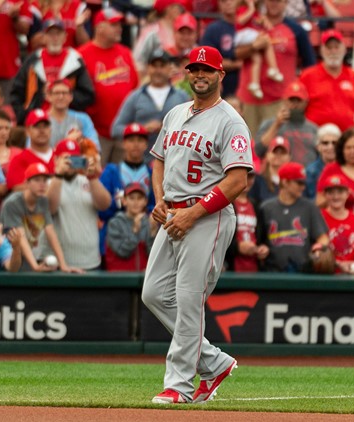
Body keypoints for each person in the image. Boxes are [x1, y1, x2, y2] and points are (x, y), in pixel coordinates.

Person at [142, 46, 253, 404]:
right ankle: (213, 361)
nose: (199, 75)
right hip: (173, 213)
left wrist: (194, 213)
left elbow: (237, 181)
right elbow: (159, 160)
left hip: (208, 217)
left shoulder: (230, 120)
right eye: (194, 69)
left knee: (190, 301)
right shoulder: (175, 113)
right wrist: (159, 199)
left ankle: (179, 386)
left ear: (221, 75)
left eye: (206, 69)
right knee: (154, 293)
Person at [233, 0, 315, 137]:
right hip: (249, 99)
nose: (274, 4)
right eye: (271, 0)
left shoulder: (296, 30)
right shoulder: (254, 22)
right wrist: (253, 47)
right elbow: (236, 53)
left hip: (280, 100)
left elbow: (309, 64)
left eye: (278, 1)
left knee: (276, 146)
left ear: (286, 3)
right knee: (246, 145)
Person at [78, 7, 139, 165]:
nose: (119, 29)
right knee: (94, 177)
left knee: (122, 183)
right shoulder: (82, 55)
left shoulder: (125, 53)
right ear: (99, 27)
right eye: (114, 25)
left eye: (120, 25)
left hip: (123, 134)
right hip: (96, 134)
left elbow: (135, 88)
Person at [9, 19, 95, 126]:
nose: (55, 38)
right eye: (50, 34)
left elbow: (87, 94)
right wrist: (24, 115)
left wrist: (62, 97)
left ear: (65, 37)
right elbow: (16, 91)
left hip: (67, 120)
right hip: (36, 120)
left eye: (58, 34)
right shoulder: (33, 60)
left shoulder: (75, 61)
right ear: (44, 37)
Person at [111, 50, 191, 160]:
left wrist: (168, 129)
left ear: (169, 68)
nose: (158, 71)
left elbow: (193, 127)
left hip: (174, 161)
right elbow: (116, 129)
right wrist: (141, 130)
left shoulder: (182, 97)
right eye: (154, 66)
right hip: (141, 162)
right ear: (148, 68)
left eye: (162, 66)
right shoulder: (135, 97)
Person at [48, 139, 110, 271]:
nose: (71, 162)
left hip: (91, 261)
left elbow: (105, 204)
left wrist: (93, 178)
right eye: (66, 158)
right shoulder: (49, 184)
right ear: (56, 160)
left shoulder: (89, 181)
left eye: (74, 158)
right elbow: (49, 209)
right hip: (62, 264)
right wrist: (58, 174)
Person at [0, 162, 74, 272]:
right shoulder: (12, 203)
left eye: (45, 180)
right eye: (37, 180)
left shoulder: (43, 201)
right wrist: (35, 266)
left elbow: (50, 231)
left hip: (29, 255)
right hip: (7, 256)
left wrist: (63, 265)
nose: (42, 184)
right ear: (27, 183)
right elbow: (21, 237)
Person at [257, 162, 329, 272]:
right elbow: (259, 241)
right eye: (299, 183)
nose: (303, 187)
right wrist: (260, 249)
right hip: (272, 271)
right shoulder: (266, 208)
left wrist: (318, 248)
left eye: (304, 183)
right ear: (285, 182)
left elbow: (323, 238)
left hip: (303, 271)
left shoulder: (309, 207)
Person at [299, 29, 354, 132]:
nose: (333, 51)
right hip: (316, 137)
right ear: (321, 50)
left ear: (344, 49)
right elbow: (296, 108)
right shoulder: (307, 76)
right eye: (329, 48)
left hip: (346, 140)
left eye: (337, 47)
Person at [98, 123, 156, 256]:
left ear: (146, 144)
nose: (135, 144)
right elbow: (102, 209)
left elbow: (156, 205)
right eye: (131, 140)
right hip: (115, 233)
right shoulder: (111, 171)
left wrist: (146, 213)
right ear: (124, 143)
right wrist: (123, 207)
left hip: (144, 234)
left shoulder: (152, 173)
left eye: (140, 140)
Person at [256, 80, 318, 166]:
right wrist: (277, 124)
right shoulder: (270, 124)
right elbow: (259, 150)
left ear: (306, 102)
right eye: (291, 100)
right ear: (284, 101)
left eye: (298, 100)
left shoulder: (313, 129)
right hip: (278, 173)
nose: (295, 104)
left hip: (307, 175)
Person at [316, 128, 354, 210]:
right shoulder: (331, 169)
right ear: (341, 150)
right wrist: (338, 195)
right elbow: (319, 202)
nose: (352, 151)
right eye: (348, 148)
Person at [235, 0, 284, 100]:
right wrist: (251, 8)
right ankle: (273, 69)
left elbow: (267, 26)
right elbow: (240, 21)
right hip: (242, 35)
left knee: (257, 59)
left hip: (249, 36)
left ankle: (254, 84)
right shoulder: (243, 8)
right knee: (266, 40)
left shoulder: (257, 12)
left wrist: (263, 20)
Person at [105, 182, 156, 271]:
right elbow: (122, 252)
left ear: (145, 202)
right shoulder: (115, 223)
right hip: (120, 278)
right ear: (124, 201)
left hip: (142, 279)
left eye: (139, 198)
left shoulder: (149, 222)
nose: (135, 202)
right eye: (131, 198)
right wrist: (135, 231)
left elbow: (152, 255)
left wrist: (152, 232)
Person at [132, 0, 186, 78]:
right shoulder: (151, 32)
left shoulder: (181, 30)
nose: (181, 10)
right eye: (178, 7)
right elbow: (137, 62)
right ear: (168, 9)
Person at [226, 172, 268, 272]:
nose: (246, 181)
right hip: (230, 269)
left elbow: (262, 238)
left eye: (250, 177)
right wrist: (237, 247)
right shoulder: (225, 205)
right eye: (243, 175)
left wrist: (263, 248)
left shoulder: (256, 206)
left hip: (254, 269)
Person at [6, 109, 56, 191]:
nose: (42, 131)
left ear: (50, 130)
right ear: (28, 131)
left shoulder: (60, 156)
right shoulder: (19, 159)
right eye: (37, 126)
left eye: (45, 126)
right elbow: (17, 188)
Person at [200, 0, 242, 97]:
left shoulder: (251, 25)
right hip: (224, 87)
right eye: (223, 1)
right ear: (219, 4)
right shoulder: (213, 29)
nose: (228, 3)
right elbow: (207, 61)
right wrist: (236, 64)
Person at [45, 79, 99, 148]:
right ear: (49, 96)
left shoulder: (83, 119)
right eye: (56, 93)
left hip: (76, 158)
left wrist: (82, 142)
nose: (61, 97)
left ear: (71, 97)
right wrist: (67, 142)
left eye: (65, 93)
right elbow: (32, 152)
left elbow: (96, 147)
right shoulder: (39, 119)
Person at [249, 136, 290, 204]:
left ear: (289, 157)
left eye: (283, 152)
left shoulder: (293, 183)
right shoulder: (257, 181)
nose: (278, 155)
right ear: (267, 155)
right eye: (275, 152)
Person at [304, 123, 341, 200]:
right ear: (318, 147)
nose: (330, 147)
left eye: (334, 143)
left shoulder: (346, 168)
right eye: (325, 143)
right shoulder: (310, 172)